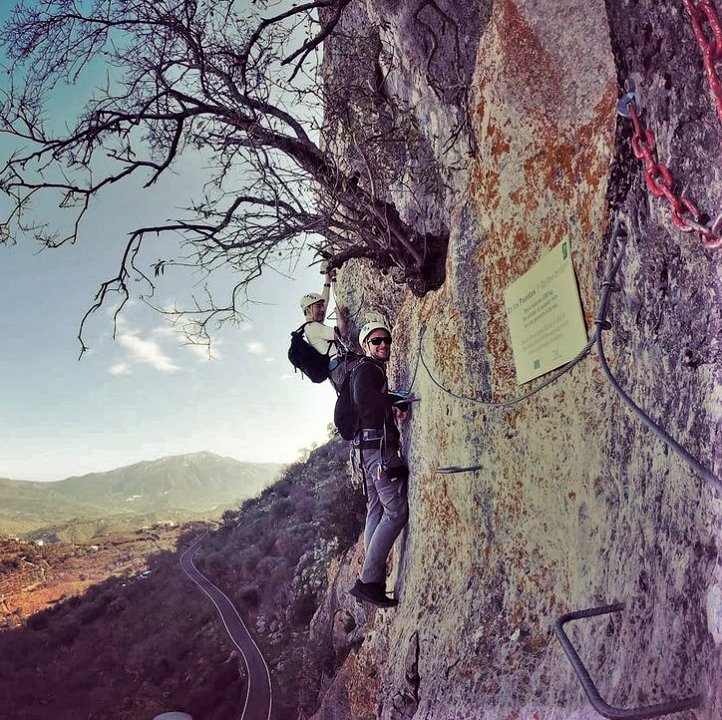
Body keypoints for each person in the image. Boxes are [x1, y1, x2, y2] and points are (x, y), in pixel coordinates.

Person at [348, 320, 410, 608]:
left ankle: (368, 580)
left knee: (375, 510)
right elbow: (365, 399)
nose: (383, 344)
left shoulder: (365, 370)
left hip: (365, 450)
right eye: (376, 341)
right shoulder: (367, 369)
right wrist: (393, 400)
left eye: (386, 339)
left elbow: (369, 403)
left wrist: (390, 404)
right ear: (365, 346)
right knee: (395, 512)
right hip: (377, 450)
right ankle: (369, 581)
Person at [299, 267, 347, 362]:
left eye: (322, 306)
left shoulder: (310, 326)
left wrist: (327, 282)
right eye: (318, 306)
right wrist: (340, 315)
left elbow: (325, 302)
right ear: (308, 310)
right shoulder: (313, 327)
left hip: (337, 365)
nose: (322, 309)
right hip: (339, 365)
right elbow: (342, 333)